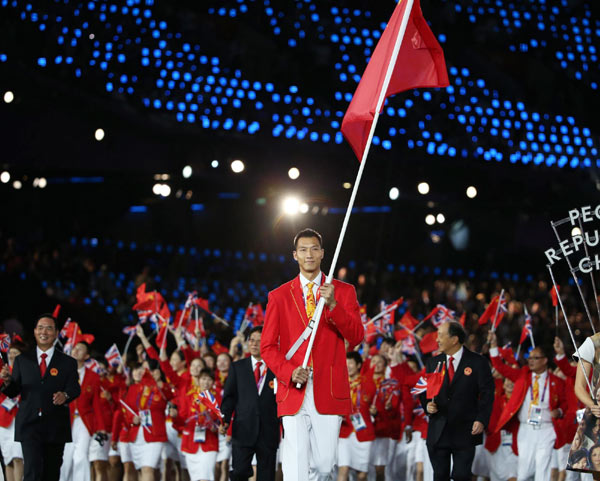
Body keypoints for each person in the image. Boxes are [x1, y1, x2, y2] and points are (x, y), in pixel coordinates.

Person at [261, 228, 364, 481]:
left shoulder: (343, 291)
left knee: (324, 465)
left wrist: (333, 306)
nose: (309, 254)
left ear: (323, 253)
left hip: (328, 387)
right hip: (293, 387)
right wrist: (288, 371)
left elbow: (357, 336)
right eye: (304, 250)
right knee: (295, 465)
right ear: (295, 255)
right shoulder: (279, 296)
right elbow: (267, 347)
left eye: (314, 248)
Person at [0, 314, 81, 481]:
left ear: (56, 332)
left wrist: (65, 395)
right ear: (35, 331)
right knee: (32, 472)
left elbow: (75, 388)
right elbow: (14, 391)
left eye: (49, 328)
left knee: (51, 474)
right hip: (29, 425)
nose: (44, 332)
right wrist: (7, 381)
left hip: (55, 426)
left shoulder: (68, 362)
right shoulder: (22, 360)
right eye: (40, 328)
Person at [488, 332, 568, 481]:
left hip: (546, 429)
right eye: (529, 358)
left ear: (544, 360)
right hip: (526, 429)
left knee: (542, 470)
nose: (530, 361)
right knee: (523, 472)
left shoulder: (556, 381)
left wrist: (559, 411)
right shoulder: (522, 375)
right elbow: (500, 366)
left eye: (535, 358)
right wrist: (493, 345)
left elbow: (564, 403)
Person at [422, 321, 494, 481]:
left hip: (466, 431)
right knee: (440, 476)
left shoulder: (478, 362)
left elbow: (487, 394)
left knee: (461, 476)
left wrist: (481, 419)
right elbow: (424, 391)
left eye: (441, 335)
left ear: (454, 339)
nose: (437, 339)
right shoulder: (433, 363)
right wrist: (427, 405)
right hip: (438, 431)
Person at [220, 326, 279, 481]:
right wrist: (225, 420)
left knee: (266, 477)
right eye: (251, 340)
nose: (254, 344)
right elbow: (229, 398)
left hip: (268, 431)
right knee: (239, 472)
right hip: (243, 430)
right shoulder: (237, 367)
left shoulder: (277, 368)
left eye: (259, 341)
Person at [59, 341, 106, 481]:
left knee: (80, 457)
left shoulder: (93, 376)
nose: (76, 351)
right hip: (65, 421)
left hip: (84, 421)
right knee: (65, 458)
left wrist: (101, 427)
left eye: (80, 349)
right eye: (75, 348)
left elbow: (97, 404)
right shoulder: (61, 373)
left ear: (86, 356)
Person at [337, 351, 375, 481]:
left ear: (358, 365)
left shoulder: (367, 383)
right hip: (344, 431)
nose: (347, 366)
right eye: (345, 363)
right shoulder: (338, 384)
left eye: (351, 363)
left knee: (362, 475)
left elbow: (372, 401)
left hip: (363, 432)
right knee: (343, 469)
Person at [0, 339, 26, 481]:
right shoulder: (3, 371)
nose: (12, 355)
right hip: (4, 420)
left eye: (16, 353)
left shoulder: (27, 372)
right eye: (10, 352)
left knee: (18, 457)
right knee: (8, 459)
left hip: (20, 418)